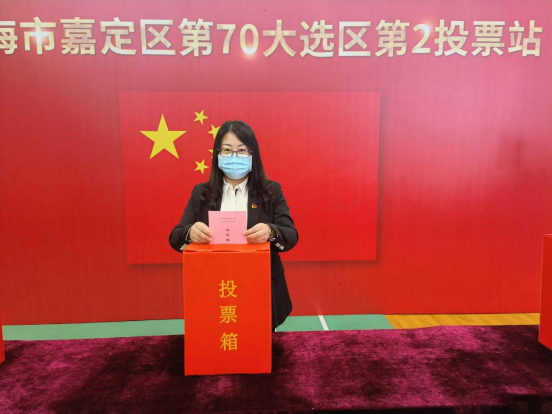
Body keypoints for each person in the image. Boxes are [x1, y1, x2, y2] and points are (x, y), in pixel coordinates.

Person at [169, 120, 298, 332]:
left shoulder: (271, 191)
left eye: (242, 150)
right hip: (214, 288)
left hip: (260, 287)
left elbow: (290, 235)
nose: (234, 156)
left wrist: (270, 231)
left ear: (252, 154)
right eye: (227, 150)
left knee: (258, 345)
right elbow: (175, 237)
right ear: (217, 154)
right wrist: (190, 232)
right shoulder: (201, 193)